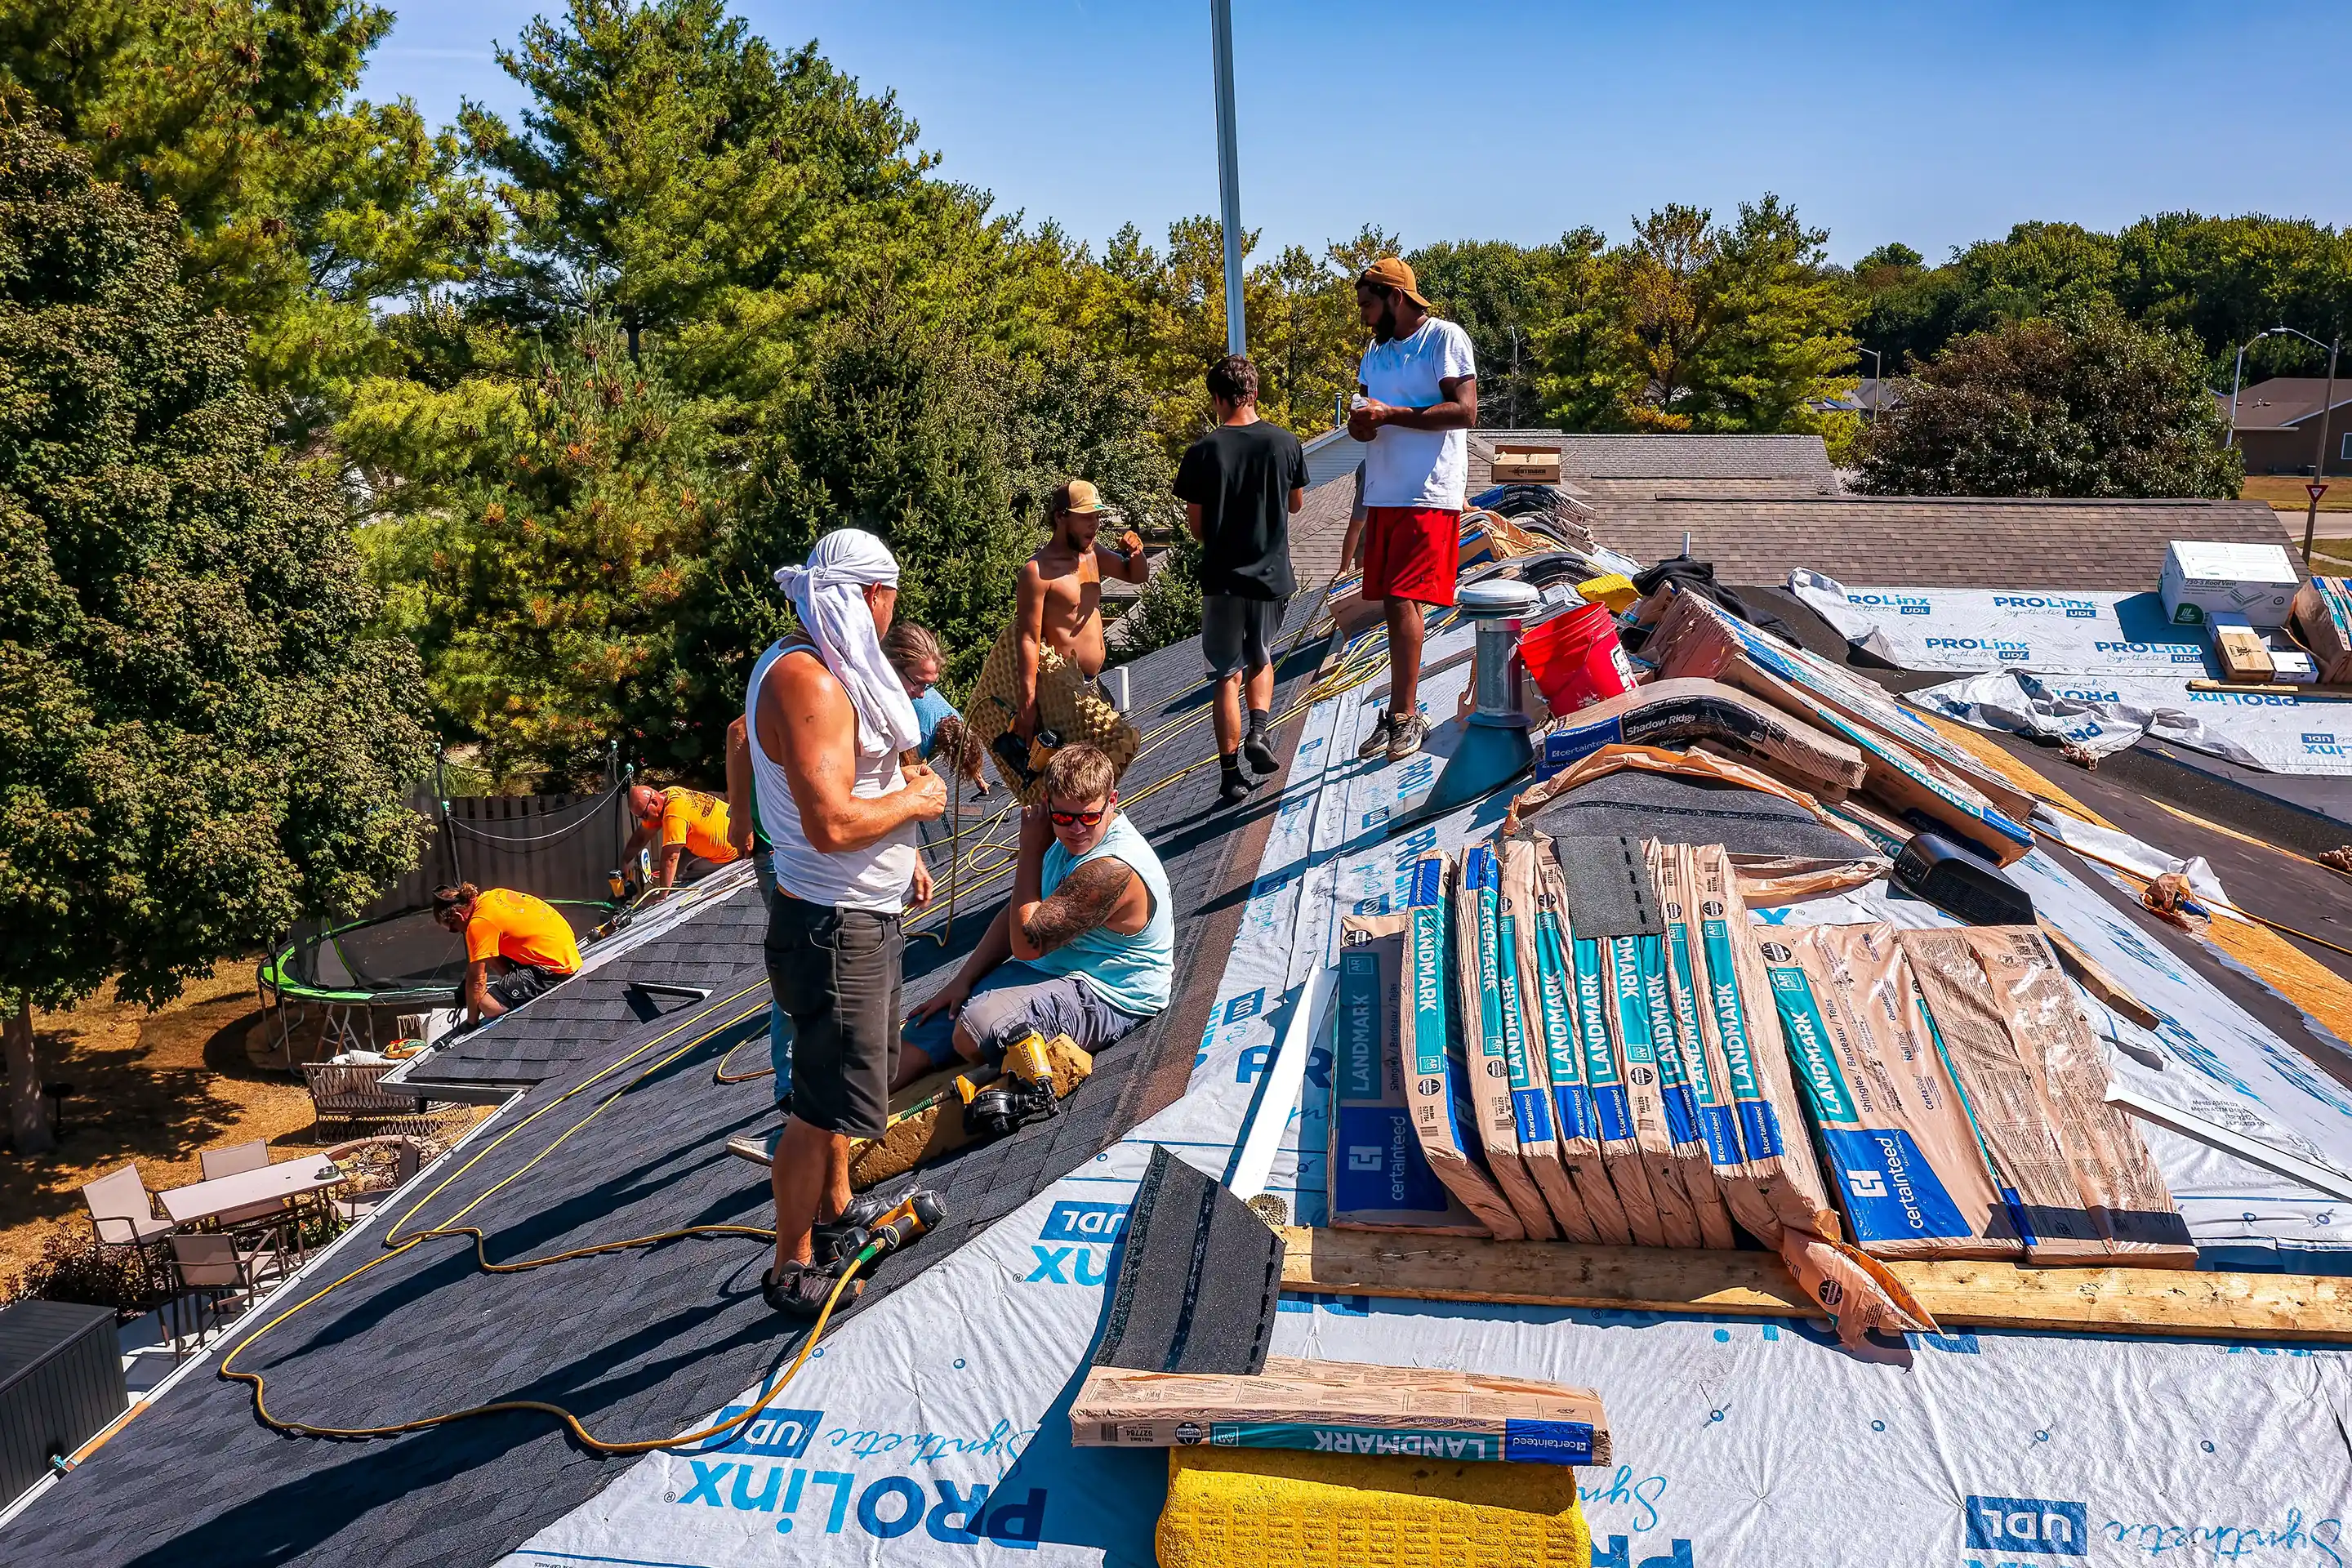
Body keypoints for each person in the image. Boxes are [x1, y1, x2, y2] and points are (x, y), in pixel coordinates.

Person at [748, 528, 947, 1319]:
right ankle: (792, 1265)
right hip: (835, 926)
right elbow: (830, 823)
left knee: (837, 1093)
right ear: (870, 596)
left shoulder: (818, 665)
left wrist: (906, 846)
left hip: (856, 914)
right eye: (891, 597)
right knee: (816, 1107)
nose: (892, 612)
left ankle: (835, 1215)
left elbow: (858, 782)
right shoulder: (810, 683)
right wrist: (916, 803)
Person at [898, 743, 1169, 1090]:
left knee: (974, 1029)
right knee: (918, 1033)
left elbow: (1026, 943)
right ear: (1047, 805)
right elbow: (1013, 915)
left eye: (1088, 817)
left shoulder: (1111, 868)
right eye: (1064, 817)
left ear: (1111, 802)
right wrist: (962, 981)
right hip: (1050, 968)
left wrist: (1030, 849)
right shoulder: (1068, 838)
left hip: (1107, 990)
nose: (1076, 829)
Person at [1345, 256, 1477, 763]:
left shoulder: (1444, 338)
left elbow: (1464, 411)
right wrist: (1361, 425)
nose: (1364, 316)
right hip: (1384, 492)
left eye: (1368, 305)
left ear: (1395, 298)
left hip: (1428, 491)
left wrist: (1392, 414)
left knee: (1403, 598)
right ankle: (1401, 711)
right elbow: (1368, 415)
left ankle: (1405, 716)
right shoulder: (1375, 352)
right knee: (1392, 603)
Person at [1175, 354, 1307, 806]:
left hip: (1222, 579)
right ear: (1255, 393)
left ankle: (1230, 775)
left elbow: (1197, 527)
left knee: (1225, 675)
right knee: (1261, 657)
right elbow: (1296, 504)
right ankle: (1258, 731)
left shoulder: (1202, 452)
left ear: (1217, 398)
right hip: (1271, 575)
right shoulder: (1285, 442)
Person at [1010, 479, 1150, 744]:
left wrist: (1136, 552)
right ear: (1061, 517)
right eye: (1085, 517)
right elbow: (1028, 639)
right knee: (1080, 767)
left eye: (1096, 517)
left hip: (1096, 684)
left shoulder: (1093, 554)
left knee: (1113, 758)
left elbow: (1137, 576)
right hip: (1064, 692)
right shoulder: (1037, 571)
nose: (1094, 525)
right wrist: (1027, 703)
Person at [727, 716, 793, 1102]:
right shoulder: (782, 688)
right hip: (780, 852)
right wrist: (740, 816)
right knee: (797, 962)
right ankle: (790, 1084)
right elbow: (738, 731)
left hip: (804, 849)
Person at [432, 883, 581, 1027]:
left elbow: (477, 981)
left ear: (458, 916)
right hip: (567, 952)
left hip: (553, 967)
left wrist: (471, 1023)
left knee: (488, 1005)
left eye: (453, 929)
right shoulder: (492, 896)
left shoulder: (478, 924)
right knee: (492, 954)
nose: (459, 932)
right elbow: (492, 960)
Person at [622, 783, 738, 889]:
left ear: (654, 801)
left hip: (730, 854)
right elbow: (641, 836)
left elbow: (670, 857)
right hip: (737, 832)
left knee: (683, 878)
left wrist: (662, 894)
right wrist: (624, 862)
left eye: (645, 815)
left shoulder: (673, 814)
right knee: (680, 864)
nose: (645, 820)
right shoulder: (670, 793)